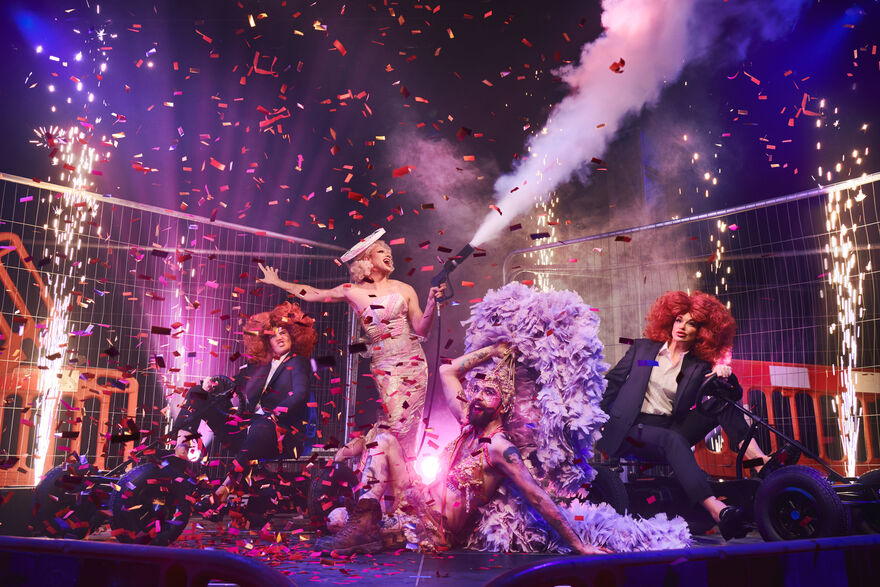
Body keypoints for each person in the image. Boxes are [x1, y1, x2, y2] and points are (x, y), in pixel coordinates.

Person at [318, 342, 611, 555]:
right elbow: (448, 370)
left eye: (489, 392)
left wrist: (579, 546)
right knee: (382, 438)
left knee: (337, 521)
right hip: (411, 500)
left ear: (504, 405)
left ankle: (365, 523)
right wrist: (494, 350)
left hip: (433, 529)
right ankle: (368, 518)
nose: (477, 397)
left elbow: (537, 496)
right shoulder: (467, 423)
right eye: (477, 389)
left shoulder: (500, 448)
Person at [596, 290, 800, 540]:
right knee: (672, 440)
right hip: (630, 429)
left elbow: (732, 395)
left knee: (720, 404)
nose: (682, 327)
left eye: (691, 323)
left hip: (669, 428)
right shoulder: (643, 350)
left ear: (702, 332)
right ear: (669, 319)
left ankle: (760, 462)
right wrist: (600, 419)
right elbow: (612, 383)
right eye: (679, 319)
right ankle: (717, 510)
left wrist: (726, 375)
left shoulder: (697, 366)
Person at [257, 229, 444, 461]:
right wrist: (278, 282)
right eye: (381, 250)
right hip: (385, 363)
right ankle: (363, 446)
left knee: (410, 423)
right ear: (367, 260)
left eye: (389, 251)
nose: (388, 254)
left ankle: (398, 474)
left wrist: (430, 304)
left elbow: (421, 329)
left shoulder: (404, 289)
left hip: (414, 362)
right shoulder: (352, 291)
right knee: (397, 420)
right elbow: (314, 293)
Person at [173, 301, 317, 512]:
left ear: (293, 336)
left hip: (280, 435)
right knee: (197, 393)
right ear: (266, 339)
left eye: (284, 332)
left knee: (263, 425)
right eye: (273, 334)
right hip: (247, 430)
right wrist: (211, 384)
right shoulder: (258, 366)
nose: (279, 337)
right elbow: (231, 385)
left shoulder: (298, 364)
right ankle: (180, 454)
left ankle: (224, 489)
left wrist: (275, 414)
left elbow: (300, 394)